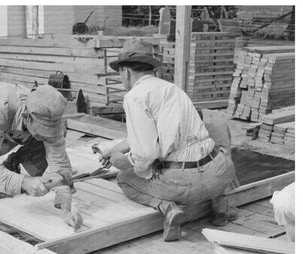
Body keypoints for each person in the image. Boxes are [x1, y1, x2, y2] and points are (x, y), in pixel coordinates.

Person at [96, 40, 239, 241]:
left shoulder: (134, 96)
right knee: (216, 127)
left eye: (120, 72)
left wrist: (124, 162)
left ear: (126, 72)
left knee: (125, 179)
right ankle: (221, 206)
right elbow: (155, 133)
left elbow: (146, 154)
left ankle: (169, 208)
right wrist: (113, 149)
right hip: (220, 174)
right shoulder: (173, 89)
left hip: (184, 185)